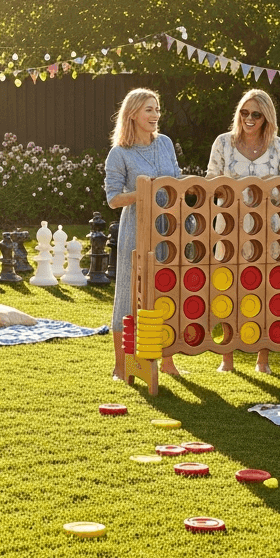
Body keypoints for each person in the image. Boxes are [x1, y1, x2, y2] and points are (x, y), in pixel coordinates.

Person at [206, 89, 280, 374]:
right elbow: (211, 184)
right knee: (227, 288)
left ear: (267, 117)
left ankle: (262, 359)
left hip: (268, 228)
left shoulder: (279, 147)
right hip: (229, 226)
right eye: (244, 112)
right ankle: (226, 359)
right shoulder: (223, 143)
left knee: (265, 288)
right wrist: (237, 191)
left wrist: (266, 191)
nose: (249, 118)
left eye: (256, 114)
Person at [105, 88, 182, 380]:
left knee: (168, 290)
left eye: (157, 109)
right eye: (149, 109)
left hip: (169, 228)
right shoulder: (119, 153)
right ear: (133, 113)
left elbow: (176, 177)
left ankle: (169, 362)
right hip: (136, 229)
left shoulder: (164, 143)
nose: (155, 115)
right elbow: (113, 198)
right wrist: (144, 193)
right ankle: (121, 365)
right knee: (128, 295)